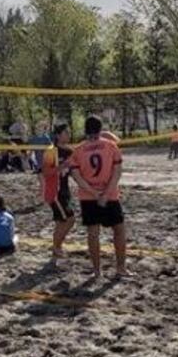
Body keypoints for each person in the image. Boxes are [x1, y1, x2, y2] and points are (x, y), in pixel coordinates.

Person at [69, 115, 128, 278]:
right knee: (119, 231)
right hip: (110, 196)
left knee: (93, 234)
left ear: (85, 130)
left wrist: (95, 194)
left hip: (88, 197)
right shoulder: (111, 146)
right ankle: (121, 268)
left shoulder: (78, 150)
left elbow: (77, 178)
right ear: (101, 129)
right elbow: (117, 173)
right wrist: (105, 194)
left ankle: (97, 271)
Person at [41, 123, 76, 258]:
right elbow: (45, 172)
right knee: (70, 219)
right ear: (58, 135)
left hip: (65, 191)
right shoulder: (51, 151)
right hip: (55, 192)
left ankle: (57, 248)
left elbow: (72, 172)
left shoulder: (69, 151)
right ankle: (56, 247)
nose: (69, 134)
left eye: (69, 132)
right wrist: (60, 167)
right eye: (66, 132)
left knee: (61, 222)